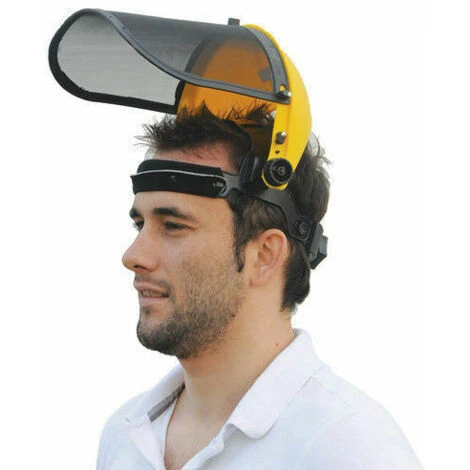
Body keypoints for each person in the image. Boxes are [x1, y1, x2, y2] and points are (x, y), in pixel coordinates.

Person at [96, 105, 423, 469]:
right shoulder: (126, 434)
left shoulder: (348, 447)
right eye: (140, 225)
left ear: (265, 255)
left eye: (173, 226)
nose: (133, 255)